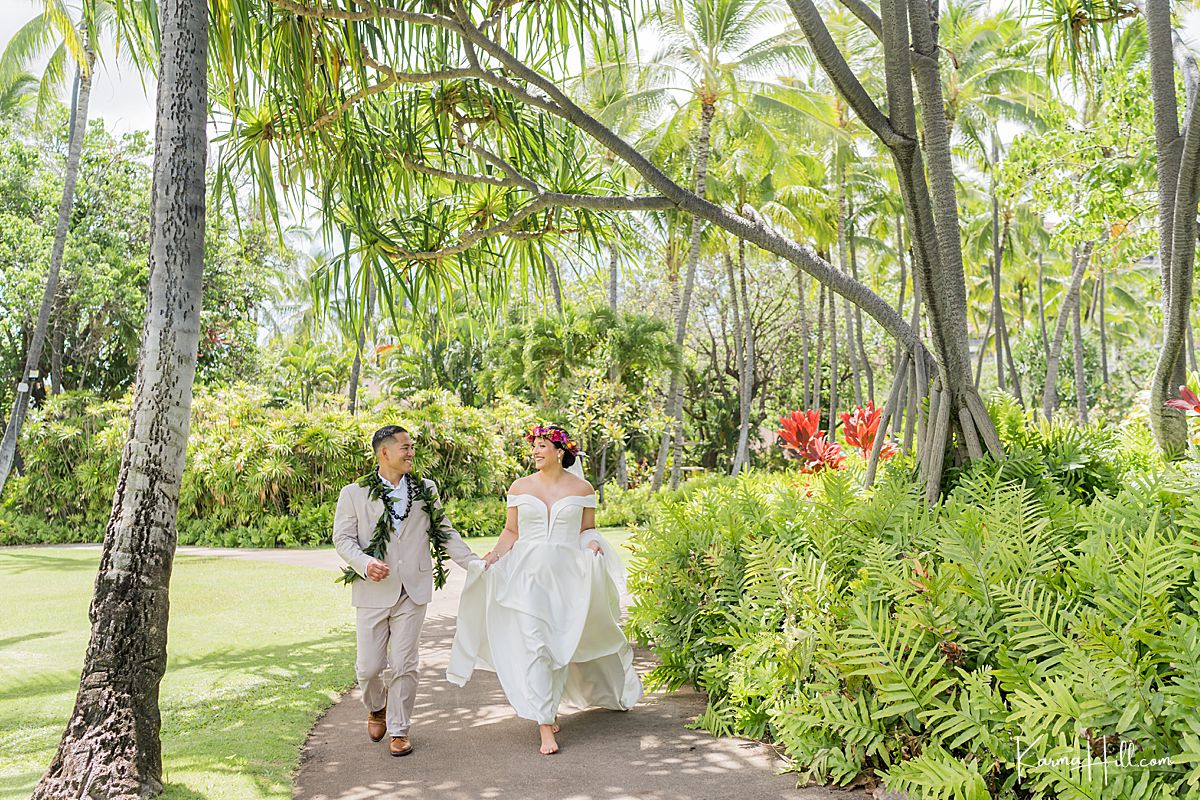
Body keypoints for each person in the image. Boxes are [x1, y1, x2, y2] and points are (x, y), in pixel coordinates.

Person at [447, 423, 643, 755]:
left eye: (542, 446)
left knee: (558, 648)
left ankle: (549, 705)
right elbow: (511, 531)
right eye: (534, 446)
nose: (536, 451)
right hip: (528, 577)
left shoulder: (582, 489)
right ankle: (544, 725)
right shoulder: (520, 486)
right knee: (536, 645)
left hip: (567, 578)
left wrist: (593, 546)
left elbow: (588, 530)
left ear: (560, 451)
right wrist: (493, 556)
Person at [333, 425, 483, 757]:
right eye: (405, 447)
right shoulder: (354, 493)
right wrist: (364, 562)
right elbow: (342, 539)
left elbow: (444, 532)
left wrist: (473, 562)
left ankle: (399, 730)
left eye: (412, 446)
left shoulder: (425, 489)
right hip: (372, 590)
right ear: (383, 452)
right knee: (368, 668)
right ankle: (376, 707)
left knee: (405, 663)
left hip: (412, 591)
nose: (411, 452)